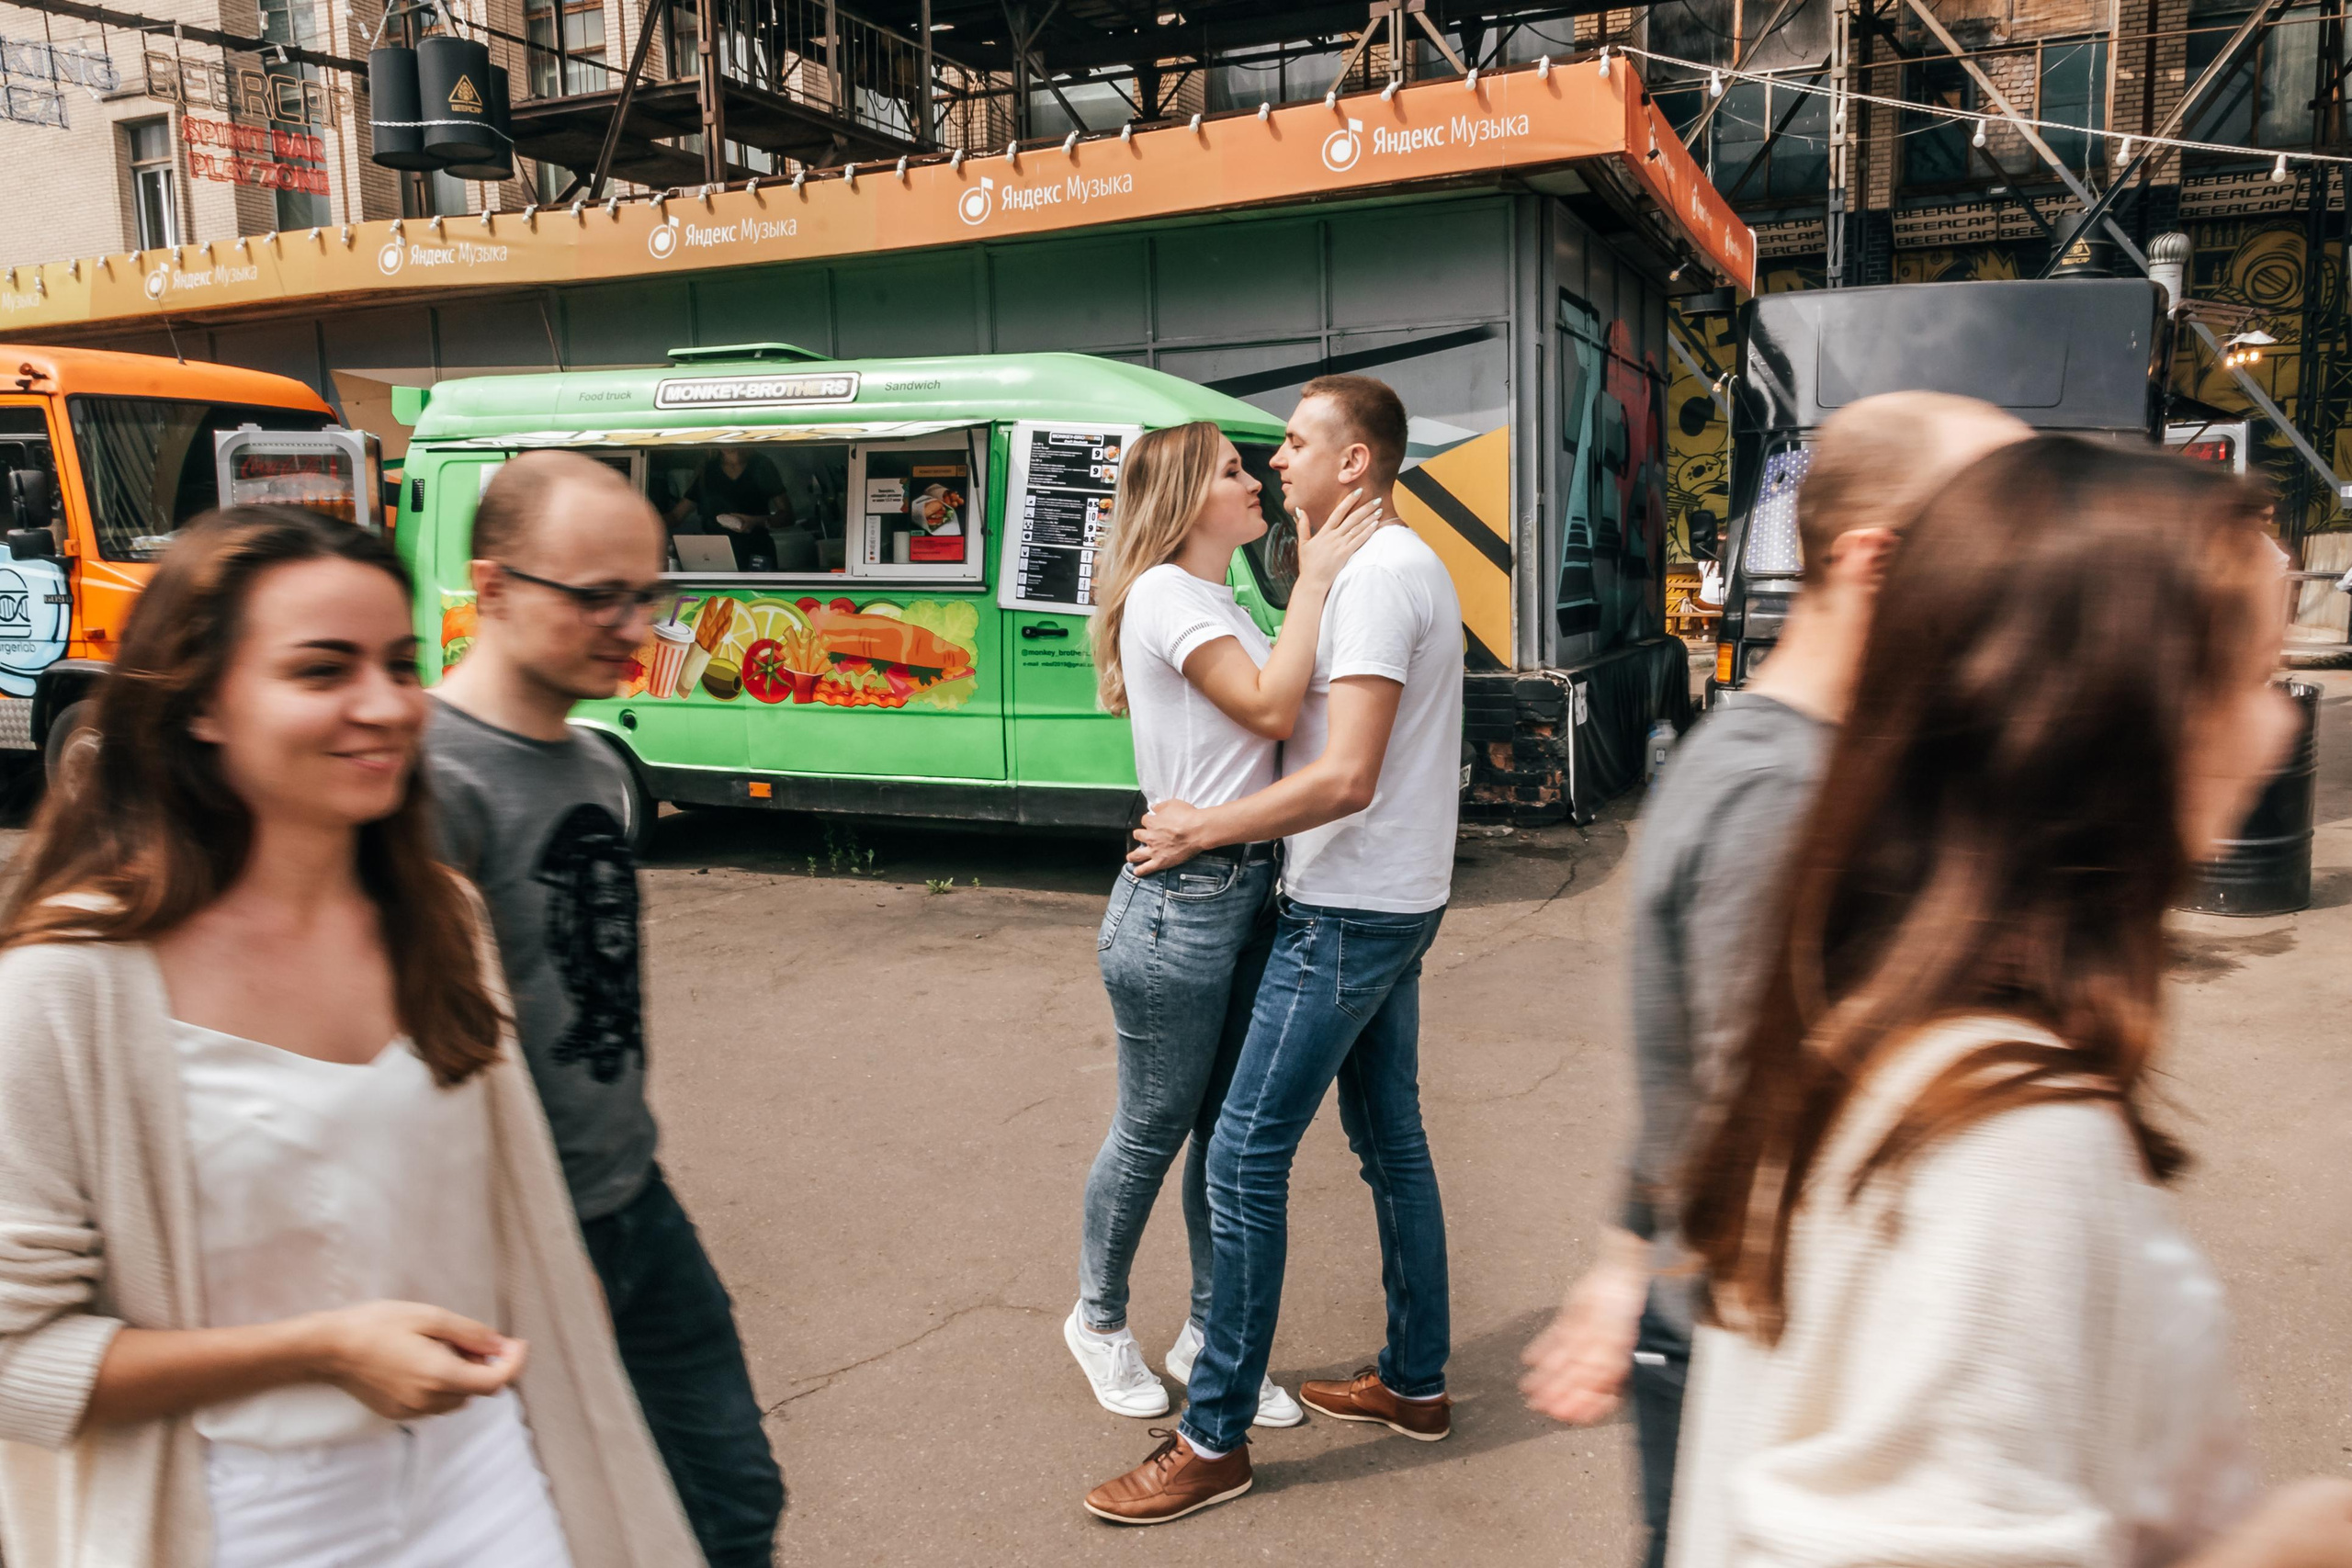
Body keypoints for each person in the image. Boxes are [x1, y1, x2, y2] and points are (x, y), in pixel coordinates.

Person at [1669, 437, 2352, 1566]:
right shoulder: (2007, 1136)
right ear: (2122, 724)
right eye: (2253, 679)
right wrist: (2286, 1544)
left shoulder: (1860, 1027)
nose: (2280, 726)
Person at [0, 507, 697, 1568]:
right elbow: (15, 1358)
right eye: (322, 671)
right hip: (241, 1515)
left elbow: (505, 1201)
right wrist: (317, 1351)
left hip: (488, 1473)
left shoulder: (441, 917)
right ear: (200, 704)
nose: (385, 706)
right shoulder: (65, 986)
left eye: (401, 663)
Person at [1519, 391, 2030, 1568]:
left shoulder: (1800, 756)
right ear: (1878, 561)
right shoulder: (1789, 795)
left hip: (1746, 1338)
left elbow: (1689, 1065)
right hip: (1776, 1358)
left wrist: (1618, 1260)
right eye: (2007, 534)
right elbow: (1756, 1116)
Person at [1084, 374, 1464, 1525]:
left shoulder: (1378, 576)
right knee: (1388, 1137)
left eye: (1292, 444)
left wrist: (1203, 823)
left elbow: (1341, 773)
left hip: (1345, 907)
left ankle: (1212, 1440)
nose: (1274, 459)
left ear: (1355, 463)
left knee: (1240, 1156)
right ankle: (1412, 1382)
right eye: (1256, 457)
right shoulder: (1370, 571)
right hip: (1392, 896)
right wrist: (1310, 567)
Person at [428, 452, 786, 1568]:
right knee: (578, 1524)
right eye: (597, 596)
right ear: (490, 589)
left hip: (635, 1195)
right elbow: (422, 1059)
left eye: (650, 593)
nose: (634, 624)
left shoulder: (589, 761)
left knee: (735, 1497)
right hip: (521, 1229)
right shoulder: (429, 782)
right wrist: (516, 1246)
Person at [1068, 421, 1380, 1425]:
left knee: (1222, 1134)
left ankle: (1207, 1330)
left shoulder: (1222, 596)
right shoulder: (1164, 592)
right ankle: (1099, 1320)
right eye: (1237, 472)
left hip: (1247, 893)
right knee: (1154, 1129)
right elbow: (1272, 710)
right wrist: (1321, 578)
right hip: (1178, 912)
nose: (1258, 482)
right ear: (1185, 500)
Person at [670, 448, 791, 570]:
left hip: (757, 555)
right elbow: (676, 516)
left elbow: (788, 516)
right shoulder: (708, 470)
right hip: (717, 556)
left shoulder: (761, 465)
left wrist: (755, 521)